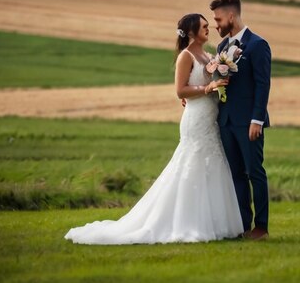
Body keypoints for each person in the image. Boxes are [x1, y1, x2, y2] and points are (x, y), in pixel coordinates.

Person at [64, 13, 243, 244]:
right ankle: (188, 223)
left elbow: (209, 83)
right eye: (204, 26)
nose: (208, 29)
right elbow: (180, 91)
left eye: (208, 25)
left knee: (214, 164)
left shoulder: (209, 55)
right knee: (193, 164)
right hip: (196, 119)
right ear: (191, 32)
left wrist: (219, 84)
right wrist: (208, 87)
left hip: (211, 117)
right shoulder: (186, 56)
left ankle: (219, 225)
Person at [210, 0, 272, 241]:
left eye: (218, 18)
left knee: (255, 172)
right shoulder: (221, 48)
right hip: (226, 121)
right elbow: (220, 82)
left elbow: (262, 84)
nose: (216, 24)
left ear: (231, 16)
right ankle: (243, 226)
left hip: (248, 122)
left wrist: (257, 120)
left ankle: (262, 227)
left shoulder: (258, 45)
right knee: (236, 175)